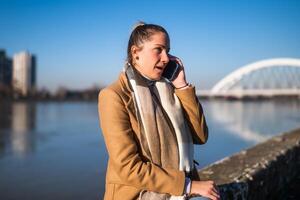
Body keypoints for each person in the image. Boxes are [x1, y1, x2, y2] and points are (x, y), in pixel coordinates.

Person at [98, 22, 220, 200]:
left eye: (168, 51)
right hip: (138, 194)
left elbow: (201, 136)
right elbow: (127, 167)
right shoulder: (114, 96)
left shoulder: (170, 91)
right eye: (158, 49)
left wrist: (182, 86)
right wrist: (187, 185)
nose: (166, 58)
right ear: (135, 53)